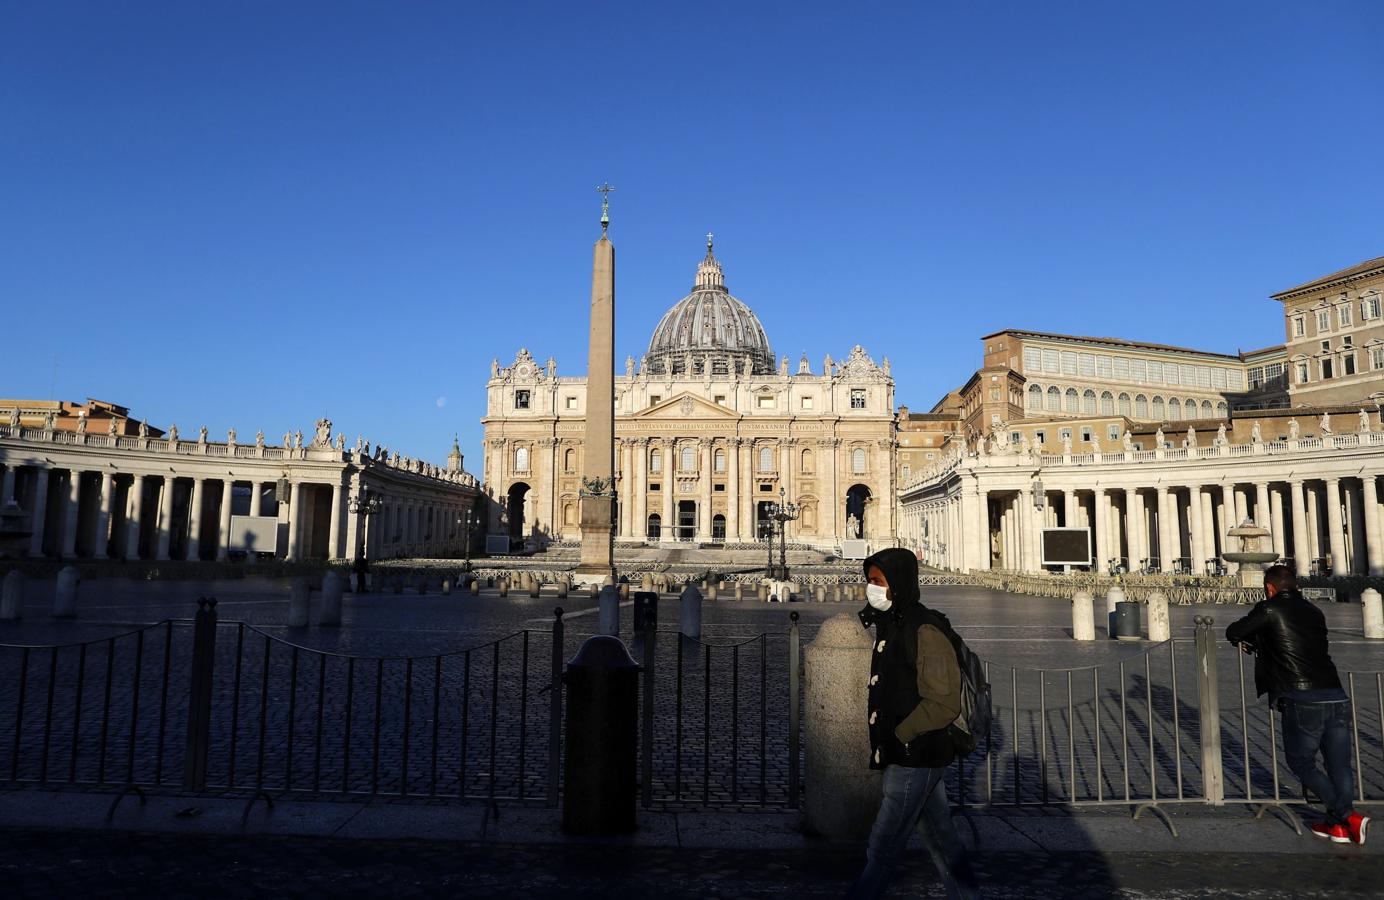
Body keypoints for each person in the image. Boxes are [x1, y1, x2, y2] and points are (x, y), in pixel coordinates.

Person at [848, 547, 980, 899]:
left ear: (898, 582)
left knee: (883, 847)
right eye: (869, 582)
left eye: (878, 582)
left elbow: (943, 702)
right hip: (909, 752)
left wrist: (901, 733)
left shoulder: (925, 629)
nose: (871, 590)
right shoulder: (895, 622)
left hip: (915, 753)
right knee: (943, 841)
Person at [1226, 565, 1368, 844]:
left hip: (1301, 696)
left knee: (1301, 762)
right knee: (1339, 765)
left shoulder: (1269, 609)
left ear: (1269, 588)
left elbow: (1235, 631)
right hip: (1335, 693)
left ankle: (1347, 815)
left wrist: (1251, 640)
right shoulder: (1315, 611)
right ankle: (1337, 827)